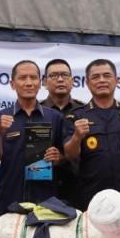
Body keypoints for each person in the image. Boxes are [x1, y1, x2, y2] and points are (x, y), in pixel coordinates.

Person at [0, 60, 65, 216]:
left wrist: (58, 157)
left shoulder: (55, 117)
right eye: (22, 78)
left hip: (46, 203)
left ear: (40, 82)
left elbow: (65, 157)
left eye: (33, 78)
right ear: (12, 84)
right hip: (9, 201)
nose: (28, 83)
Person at [63, 59, 120, 210]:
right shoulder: (76, 115)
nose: (102, 80)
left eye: (107, 75)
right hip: (90, 197)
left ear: (116, 80)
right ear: (88, 83)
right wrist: (77, 137)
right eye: (96, 77)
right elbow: (70, 155)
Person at [41, 58, 85, 204]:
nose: (60, 79)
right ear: (45, 82)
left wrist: (63, 159)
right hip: (43, 189)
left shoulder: (84, 111)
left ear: (72, 81)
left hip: (79, 189)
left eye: (65, 75)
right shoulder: (35, 112)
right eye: (54, 76)